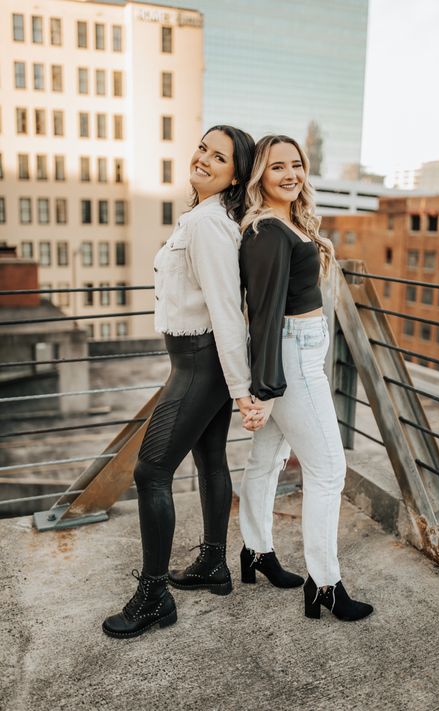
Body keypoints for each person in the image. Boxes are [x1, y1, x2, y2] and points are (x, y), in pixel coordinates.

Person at [103, 125, 263, 638]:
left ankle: (154, 597)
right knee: (209, 457)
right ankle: (214, 562)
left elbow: (226, 310)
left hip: (200, 363)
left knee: (151, 473)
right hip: (199, 361)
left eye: (219, 156)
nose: (204, 159)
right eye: (202, 148)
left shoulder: (208, 225)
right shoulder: (201, 217)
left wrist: (240, 389)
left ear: (236, 174)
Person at [238, 135, 374, 621]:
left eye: (297, 165)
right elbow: (265, 315)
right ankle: (325, 583)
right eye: (278, 167)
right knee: (328, 470)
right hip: (291, 357)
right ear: (260, 175)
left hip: (301, 351)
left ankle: (255, 551)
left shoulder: (288, 223)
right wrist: (268, 390)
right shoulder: (268, 232)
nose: (291, 174)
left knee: (268, 458)